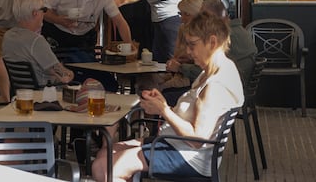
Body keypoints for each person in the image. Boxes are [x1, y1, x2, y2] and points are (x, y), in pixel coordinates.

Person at [92, 12, 244, 181]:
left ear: (213, 42)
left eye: (192, 45)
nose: (188, 51)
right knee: (106, 153)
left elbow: (197, 140)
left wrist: (164, 111)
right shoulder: (216, 71)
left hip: (188, 157)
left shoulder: (216, 86)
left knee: (102, 169)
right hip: (176, 145)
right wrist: (163, 105)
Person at [42, 0, 134, 91]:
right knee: (76, 74)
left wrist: (129, 47)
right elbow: (44, 12)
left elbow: (120, 21)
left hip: (84, 39)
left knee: (103, 79)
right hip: (58, 36)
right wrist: (59, 20)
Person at [2, 0, 74, 87]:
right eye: (44, 10)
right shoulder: (36, 41)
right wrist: (71, 73)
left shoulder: (8, 36)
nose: (44, 14)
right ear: (35, 13)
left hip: (20, 93)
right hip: (44, 93)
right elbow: (63, 74)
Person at [201, 0, 258, 83]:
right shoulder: (241, 30)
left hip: (229, 85)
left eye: (203, 17)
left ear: (212, 17)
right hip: (238, 82)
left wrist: (182, 68)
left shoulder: (226, 36)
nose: (202, 21)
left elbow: (210, 71)